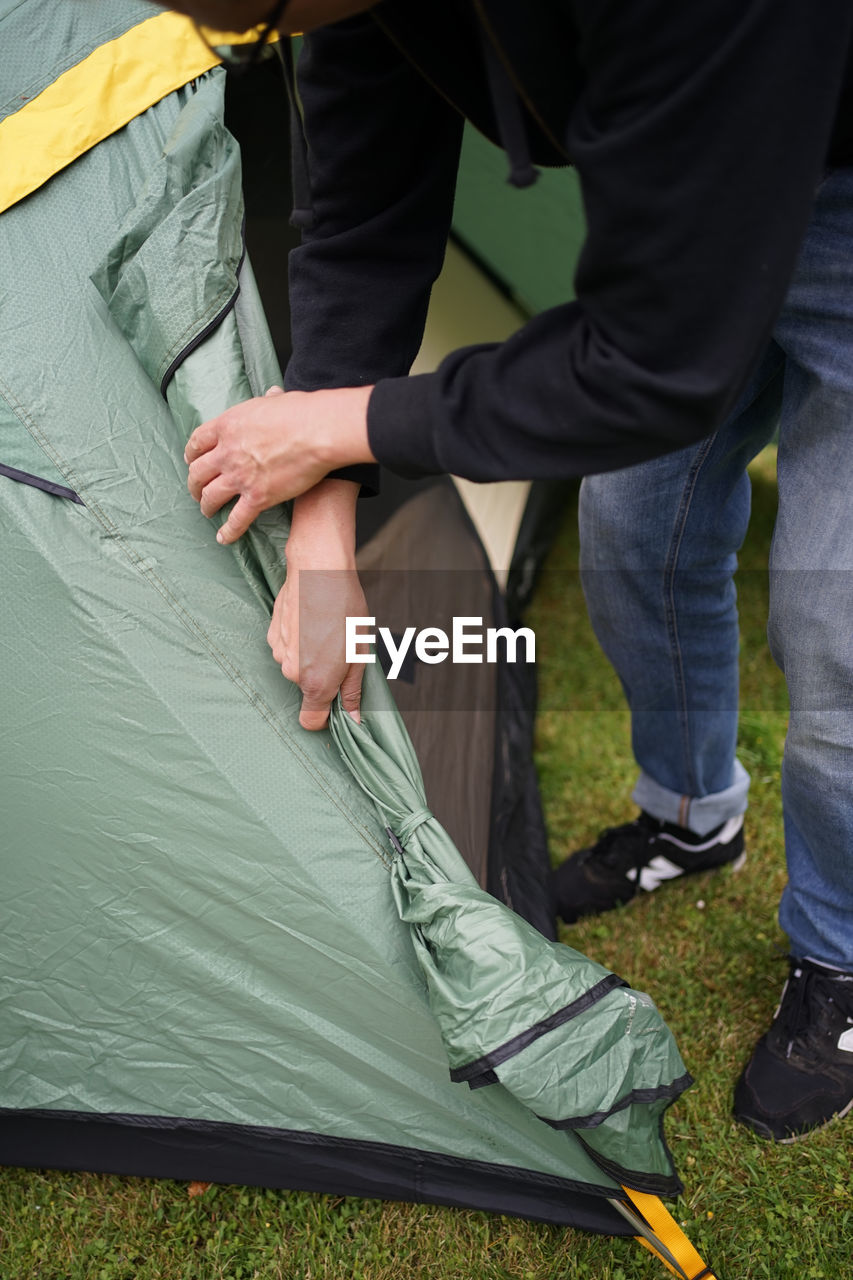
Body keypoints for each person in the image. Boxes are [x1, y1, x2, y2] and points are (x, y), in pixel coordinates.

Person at [166, 0, 853, 1141]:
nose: (255, 44)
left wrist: (347, 424)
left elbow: (652, 363)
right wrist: (323, 532)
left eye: (253, 24)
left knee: (834, 623)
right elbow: (360, 220)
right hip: (681, 208)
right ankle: (690, 817)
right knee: (636, 533)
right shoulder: (336, 9)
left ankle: (838, 958)